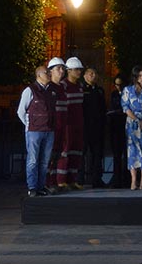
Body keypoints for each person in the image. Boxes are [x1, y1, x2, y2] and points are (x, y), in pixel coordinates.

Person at [16, 65, 55, 197]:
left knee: (44, 160)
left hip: (48, 130)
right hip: (34, 131)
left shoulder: (50, 90)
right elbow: (21, 111)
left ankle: (41, 186)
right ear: (39, 75)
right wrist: (29, 124)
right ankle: (32, 187)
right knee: (33, 160)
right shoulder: (30, 90)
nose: (49, 74)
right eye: (47, 72)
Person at [55, 56, 86, 190]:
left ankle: (72, 180)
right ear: (69, 71)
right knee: (65, 152)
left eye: (80, 69)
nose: (79, 72)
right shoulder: (63, 86)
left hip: (78, 124)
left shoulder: (79, 86)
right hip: (67, 125)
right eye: (76, 69)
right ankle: (61, 181)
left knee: (76, 152)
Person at [80, 67, 107, 188]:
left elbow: (103, 108)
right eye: (90, 73)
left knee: (97, 154)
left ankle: (97, 179)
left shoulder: (100, 90)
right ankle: (80, 179)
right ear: (85, 75)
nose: (93, 76)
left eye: (95, 73)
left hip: (98, 127)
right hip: (85, 127)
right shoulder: (81, 89)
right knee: (82, 153)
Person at [44, 57, 67, 190]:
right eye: (58, 68)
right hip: (52, 128)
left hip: (62, 127)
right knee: (49, 156)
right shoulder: (48, 88)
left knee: (58, 155)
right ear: (51, 71)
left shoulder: (63, 87)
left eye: (62, 68)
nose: (61, 71)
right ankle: (46, 183)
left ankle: (54, 182)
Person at [107, 73, 128, 188]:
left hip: (125, 125)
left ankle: (126, 178)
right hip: (115, 126)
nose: (118, 87)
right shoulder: (114, 94)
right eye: (116, 84)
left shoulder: (128, 94)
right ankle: (116, 178)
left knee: (126, 154)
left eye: (120, 85)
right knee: (116, 154)